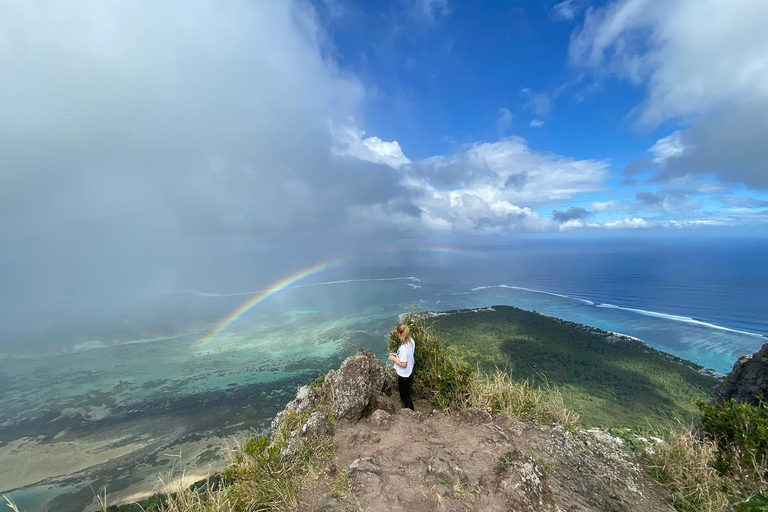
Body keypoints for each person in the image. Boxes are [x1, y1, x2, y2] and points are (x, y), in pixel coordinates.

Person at [388, 323, 415, 410]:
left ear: (399, 334)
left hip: (404, 375)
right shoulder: (411, 341)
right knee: (407, 393)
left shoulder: (403, 348)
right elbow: (408, 355)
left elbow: (403, 364)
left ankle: (410, 413)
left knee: (404, 396)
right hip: (410, 371)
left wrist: (393, 359)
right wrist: (397, 355)